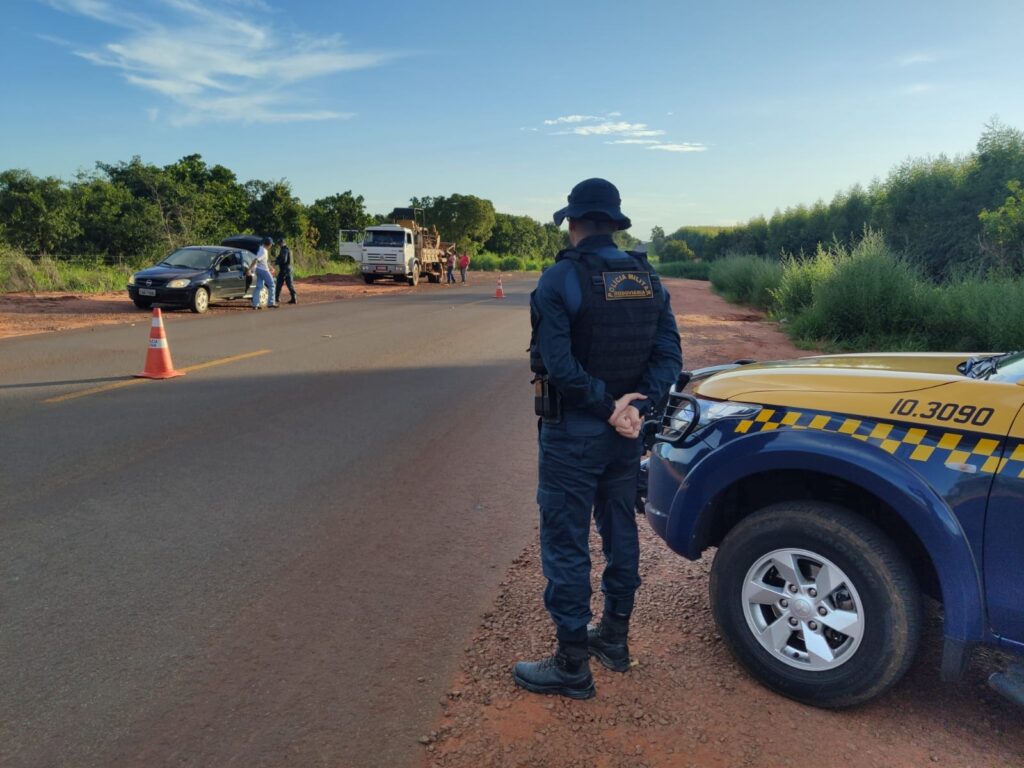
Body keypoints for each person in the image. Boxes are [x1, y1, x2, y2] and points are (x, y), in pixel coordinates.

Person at [513, 178, 682, 700]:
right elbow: (668, 356)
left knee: (566, 541)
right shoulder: (649, 279)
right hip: (625, 433)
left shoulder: (559, 278)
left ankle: (570, 665)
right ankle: (614, 639)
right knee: (618, 529)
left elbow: (559, 364)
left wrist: (610, 408)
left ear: (574, 221)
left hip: (575, 434)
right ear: (614, 223)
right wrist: (637, 407)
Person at [247, 236, 277, 309]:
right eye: (271, 244)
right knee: (272, 285)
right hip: (263, 270)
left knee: (259, 286)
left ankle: (255, 304)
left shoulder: (261, 248)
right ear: (269, 244)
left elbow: (264, 261)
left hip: (259, 269)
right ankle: (271, 303)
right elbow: (256, 260)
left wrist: (271, 267)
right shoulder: (263, 251)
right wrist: (249, 269)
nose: (271, 246)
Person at [274, 237, 297, 304]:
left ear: (281, 243)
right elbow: (280, 258)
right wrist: (276, 261)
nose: (279, 245)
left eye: (279, 243)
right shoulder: (287, 249)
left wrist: (277, 262)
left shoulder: (284, 250)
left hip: (285, 270)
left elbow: (284, 260)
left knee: (280, 283)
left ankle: (276, 298)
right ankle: (293, 298)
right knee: (289, 284)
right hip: (288, 269)